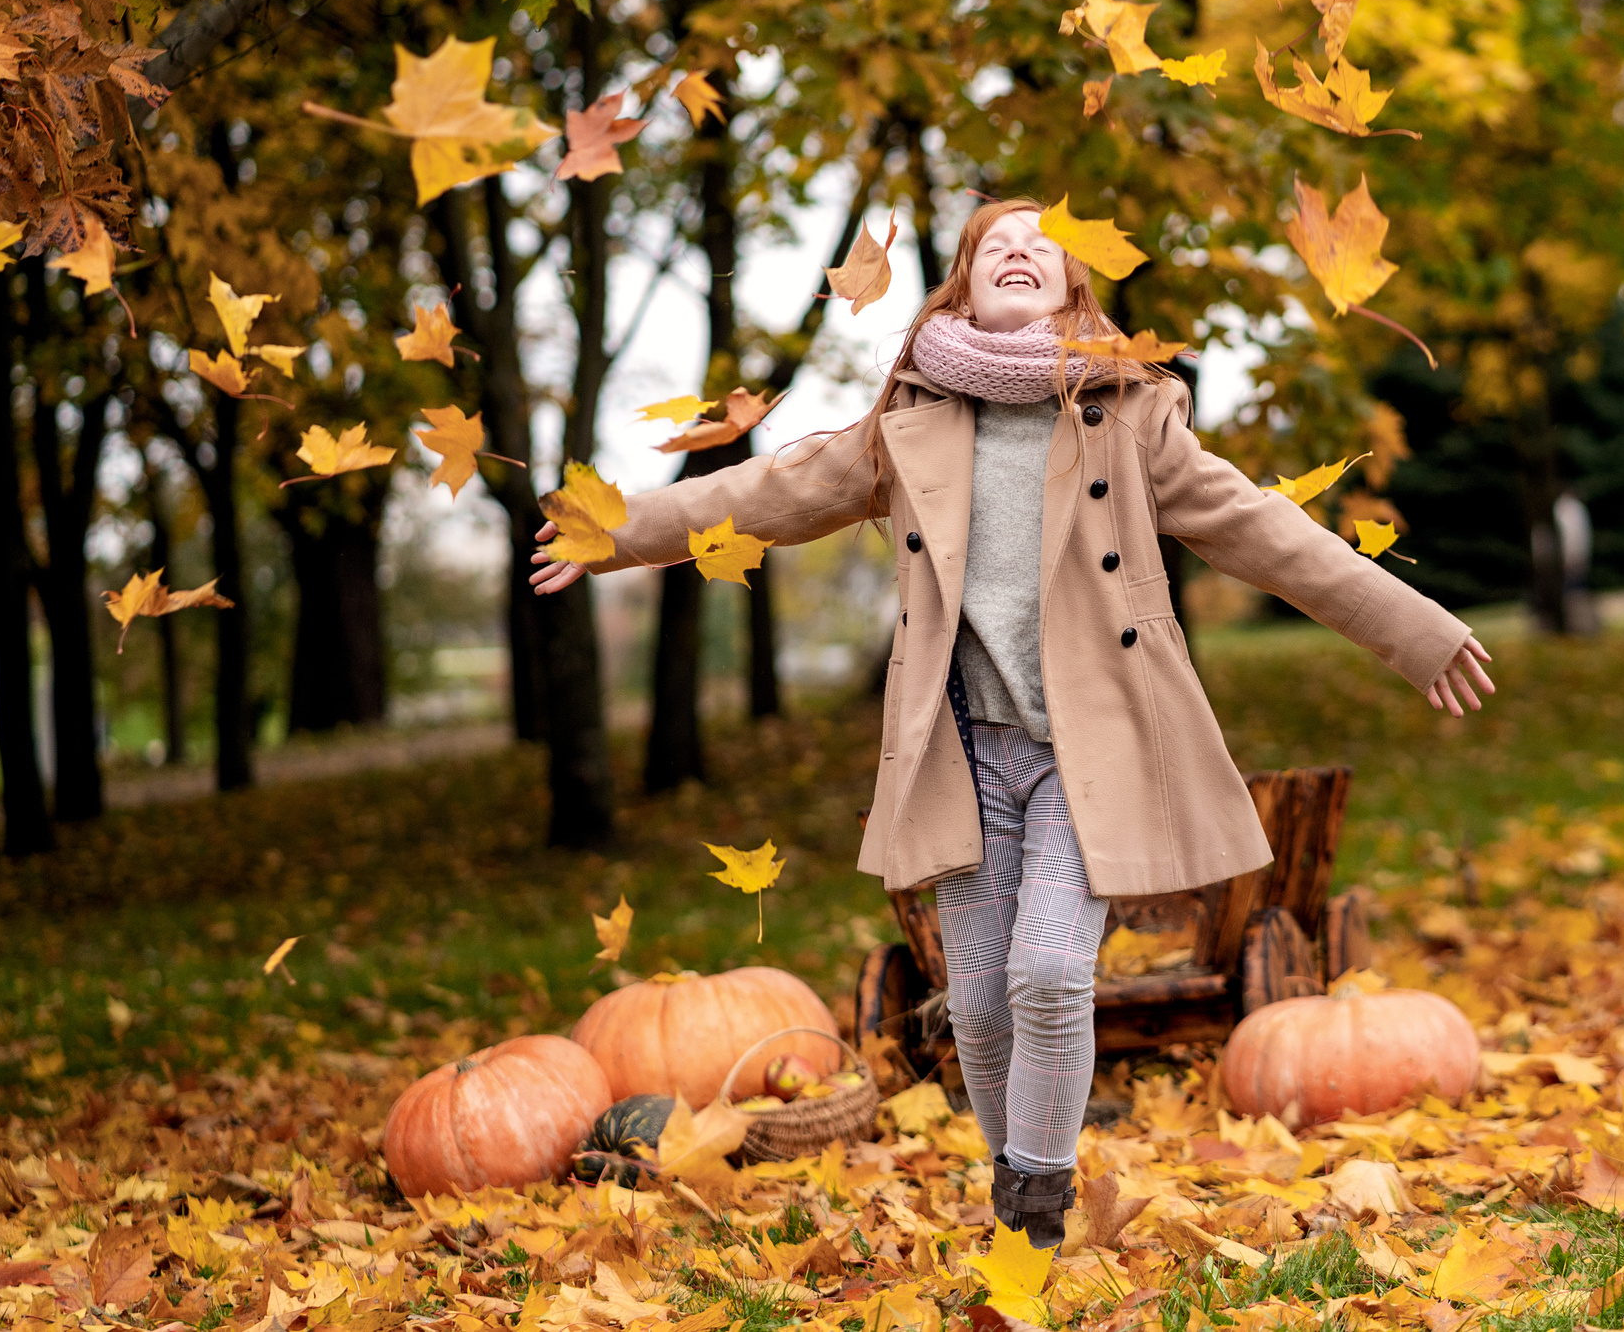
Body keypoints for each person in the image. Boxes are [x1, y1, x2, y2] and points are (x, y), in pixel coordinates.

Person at [529, 197, 1495, 1250]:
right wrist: (617, 530)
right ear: (963, 282)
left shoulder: (1128, 416)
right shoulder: (907, 424)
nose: (1022, 252)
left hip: (1093, 757)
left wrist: (1411, 629)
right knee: (978, 1006)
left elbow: (1260, 530)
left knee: (1045, 972)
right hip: (967, 755)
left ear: (1076, 287)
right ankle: (1016, 1187)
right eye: (998, 245)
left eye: (1045, 245)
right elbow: (772, 489)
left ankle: (1035, 1205)